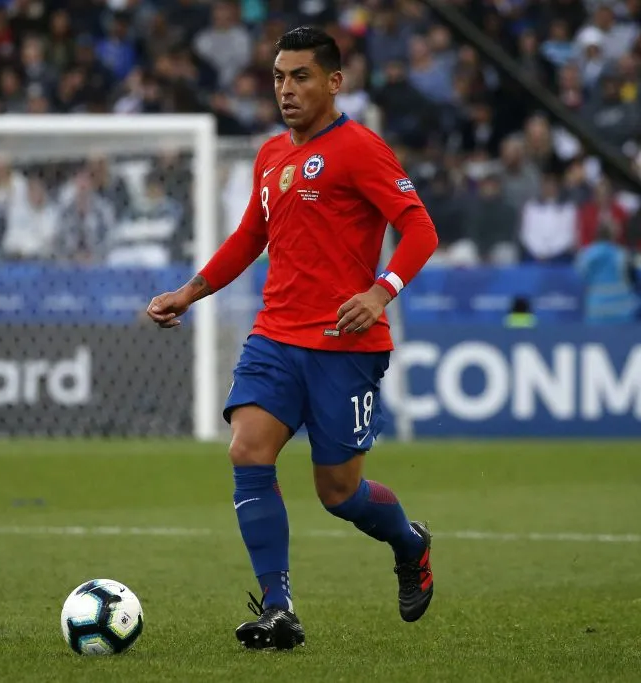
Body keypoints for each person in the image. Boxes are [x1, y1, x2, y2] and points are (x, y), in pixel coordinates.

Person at [146, 27, 439, 650]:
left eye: (301, 76)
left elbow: (419, 231)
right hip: (275, 336)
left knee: (338, 494)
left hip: (346, 345)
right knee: (247, 450)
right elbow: (250, 238)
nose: (286, 89)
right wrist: (189, 292)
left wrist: (381, 291)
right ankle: (278, 609)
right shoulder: (271, 155)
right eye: (279, 76)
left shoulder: (361, 148)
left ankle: (410, 543)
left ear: (335, 82)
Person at [575, 223, 639, 324]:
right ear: (613, 235)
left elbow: (580, 278)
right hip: (621, 311)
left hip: (595, 309)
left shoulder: (585, 255)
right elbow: (632, 280)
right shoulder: (622, 255)